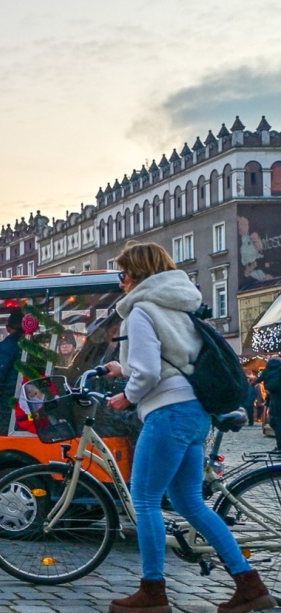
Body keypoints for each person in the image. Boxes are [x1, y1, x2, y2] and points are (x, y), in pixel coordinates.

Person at [104, 241, 275, 613]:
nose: (121, 282)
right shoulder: (180, 308)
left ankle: (153, 591)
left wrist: (126, 396)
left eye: (123, 273)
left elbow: (149, 371)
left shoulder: (141, 311)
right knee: (189, 501)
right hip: (195, 410)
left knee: (145, 500)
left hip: (168, 411)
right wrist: (125, 371)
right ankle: (249, 585)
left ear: (137, 273)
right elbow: (171, 360)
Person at [261, 358, 281, 453]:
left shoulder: (272, 373)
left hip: (277, 403)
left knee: (276, 423)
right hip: (275, 401)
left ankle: (280, 446)